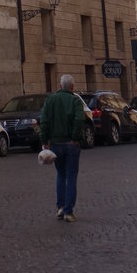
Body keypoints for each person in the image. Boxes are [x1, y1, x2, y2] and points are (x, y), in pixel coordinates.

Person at [39, 75, 84, 223]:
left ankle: (60, 207)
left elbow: (44, 120)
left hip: (55, 143)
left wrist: (44, 140)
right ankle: (68, 212)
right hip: (71, 144)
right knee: (71, 177)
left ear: (60, 85)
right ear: (72, 87)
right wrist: (75, 137)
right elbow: (79, 119)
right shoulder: (75, 100)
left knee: (60, 175)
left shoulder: (50, 100)